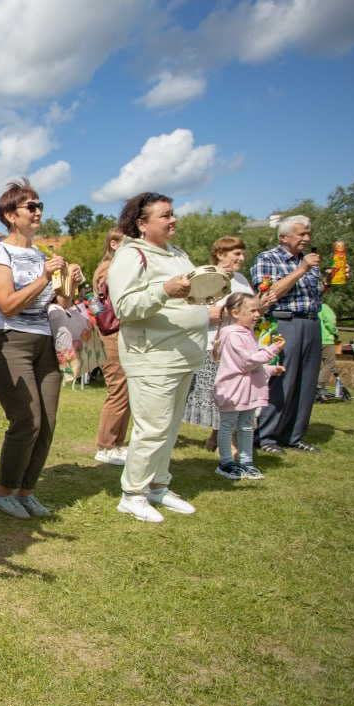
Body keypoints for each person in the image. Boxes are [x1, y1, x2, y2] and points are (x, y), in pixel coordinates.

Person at [0, 179, 80, 520]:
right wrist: (43, 276)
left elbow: (61, 301)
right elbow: (6, 304)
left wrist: (70, 282)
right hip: (8, 339)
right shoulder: (0, 252)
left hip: (44, 339)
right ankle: (3, 491)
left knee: (47, 421)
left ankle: (26, 492)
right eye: (31, 207)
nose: (38, 213)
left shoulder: (40, 254)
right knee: (27, 418)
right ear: (11, 214)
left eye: (40, 207)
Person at [107, 192, 207, 523]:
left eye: (172, 213)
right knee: (152, 428)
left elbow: (191, 297)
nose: (173, 219)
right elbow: (125, 307)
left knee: (170, 426)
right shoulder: (131, 255)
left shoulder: (177, 253)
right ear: (142, 223)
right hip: (152, 356)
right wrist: (164, 290)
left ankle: (158, 485)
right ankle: (132, 494)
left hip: (183, 354)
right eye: (164, 215)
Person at [250, 216, 342, 454]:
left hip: (311, 323)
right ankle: (266, 436)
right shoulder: (268, 258)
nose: (307, 239)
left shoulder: (309, 261)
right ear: (284, 237)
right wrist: (302, 269)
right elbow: (267, 294)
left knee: (306, 381)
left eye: (308, 234)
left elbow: (314, 294)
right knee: (281, 379)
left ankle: (294, 435)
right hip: (284, 322)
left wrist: (328, 281)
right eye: (301, 234)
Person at [182, 237, 263, 452]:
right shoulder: (206, 277)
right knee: (224, 397)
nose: (241, 258)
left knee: (235, 396)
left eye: (242, 253)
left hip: (240, 346)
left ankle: (217, 440)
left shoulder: (241, 280)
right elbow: (194, 313)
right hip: (214, 345)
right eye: (236, 253)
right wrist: (227, 313)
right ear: (220, 254)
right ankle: (230, 446)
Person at [212, 293, 285, 480]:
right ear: (236, 313)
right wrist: (272, 350)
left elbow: (251, 366)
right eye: (252, 310)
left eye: (258, 311)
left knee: (246, 427)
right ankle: (226, 462)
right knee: (228, 426)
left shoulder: (248, 333)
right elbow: (246, 362)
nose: (257, 315)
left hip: (248, 390)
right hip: (233, 390)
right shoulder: (233, 335)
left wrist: (269, 370)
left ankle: (246, 462)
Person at [92, 228, 131, 466]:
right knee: (118, 388)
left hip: (119, 333)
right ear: (115, 244)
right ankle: (106, 445)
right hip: (111, 333)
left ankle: (116, 443)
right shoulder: (109, 268)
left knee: (125, 389)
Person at [316, 302, 339, 397]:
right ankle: (319, 385)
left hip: (312, 338)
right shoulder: (323, 307)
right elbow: (330, 322)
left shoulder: (310, 308)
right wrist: (335, 332)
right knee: (330, 364)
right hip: (326, 339)